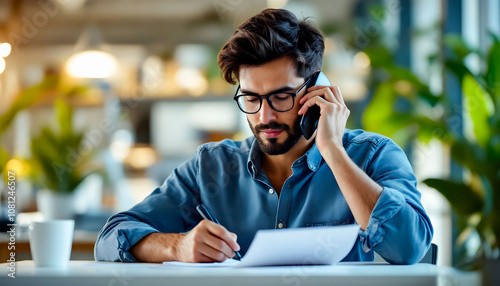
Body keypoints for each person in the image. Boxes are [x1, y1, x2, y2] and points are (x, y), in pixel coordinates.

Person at [95, 8, 433, 264]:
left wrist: (332, 151)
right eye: (252, 98)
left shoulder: (373, 156)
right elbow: (111, 239)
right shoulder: (211, 167)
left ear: (317, 90)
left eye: (281, 97)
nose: (264, 116)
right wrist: (178, 246)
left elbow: (409, 248)